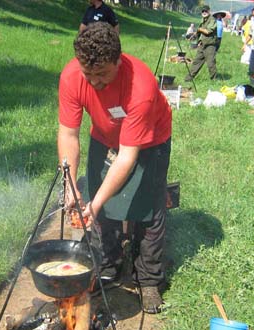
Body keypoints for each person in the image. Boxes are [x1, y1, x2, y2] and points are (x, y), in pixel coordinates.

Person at [57, 22, 172, 314]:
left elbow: (126, 157)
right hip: (104, 134)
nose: (94, 82)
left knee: (147, 210)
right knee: (99, 200)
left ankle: (147, 279)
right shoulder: (72, 77)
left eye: (103, 74)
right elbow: (69, 134)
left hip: (149, 141)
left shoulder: (141, 87)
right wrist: (69, 181)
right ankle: (109, 263)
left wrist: (94, 204)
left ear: (118, 61)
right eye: (89, 74)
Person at [184, 5, 217, 81]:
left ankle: (214, 80)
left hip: (210, 45)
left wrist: (199, 29)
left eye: (206, 11)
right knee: (196, 62)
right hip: (202, 44)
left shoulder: (212, 20)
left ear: (209, 11)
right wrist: (195, 36)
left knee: (211, 63)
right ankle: (188, 79)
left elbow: (207, 31)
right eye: (203, 11)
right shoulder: (203, 20)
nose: (204, 12)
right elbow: (201, 32)